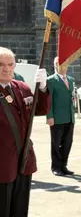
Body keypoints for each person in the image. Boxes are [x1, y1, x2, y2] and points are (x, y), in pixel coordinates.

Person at [0, 47, 50, 217]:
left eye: (10, 64)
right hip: (2, 164)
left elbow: (41, 109)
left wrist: (43, 88)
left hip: (23, 160)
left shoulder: (22, 88)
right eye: (0, 65)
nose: (6, 69)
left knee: (20, 209)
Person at [46, 57, 76, 176]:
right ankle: (56, 167)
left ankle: (64, 165)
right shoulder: (51, 80)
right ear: (55, 65)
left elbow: (71, 96)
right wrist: (49, 116)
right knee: (56, 143)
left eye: (65, 64)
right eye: (59, 64)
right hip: (57, 117)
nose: (63, 66)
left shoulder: (71, 79)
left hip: (69, 116)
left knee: (67, 142)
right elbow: (49, 101)